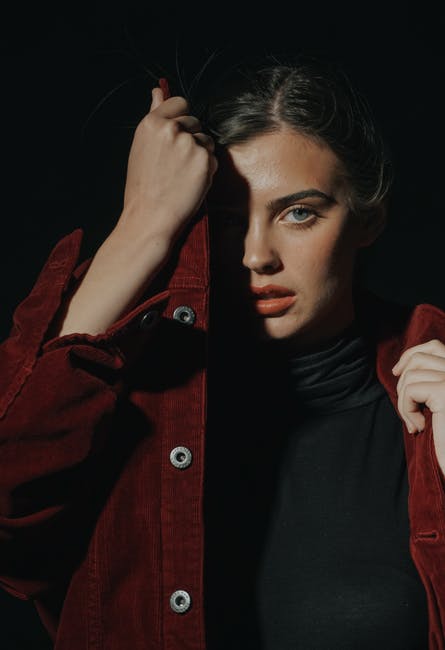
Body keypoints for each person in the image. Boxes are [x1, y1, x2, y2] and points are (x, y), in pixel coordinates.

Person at [1, 53, 445, 649]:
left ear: (368, 218)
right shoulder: (126, 401)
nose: (257, 255)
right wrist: (142, 224)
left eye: (299, 213)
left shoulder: (433, 398)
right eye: (228, 221)